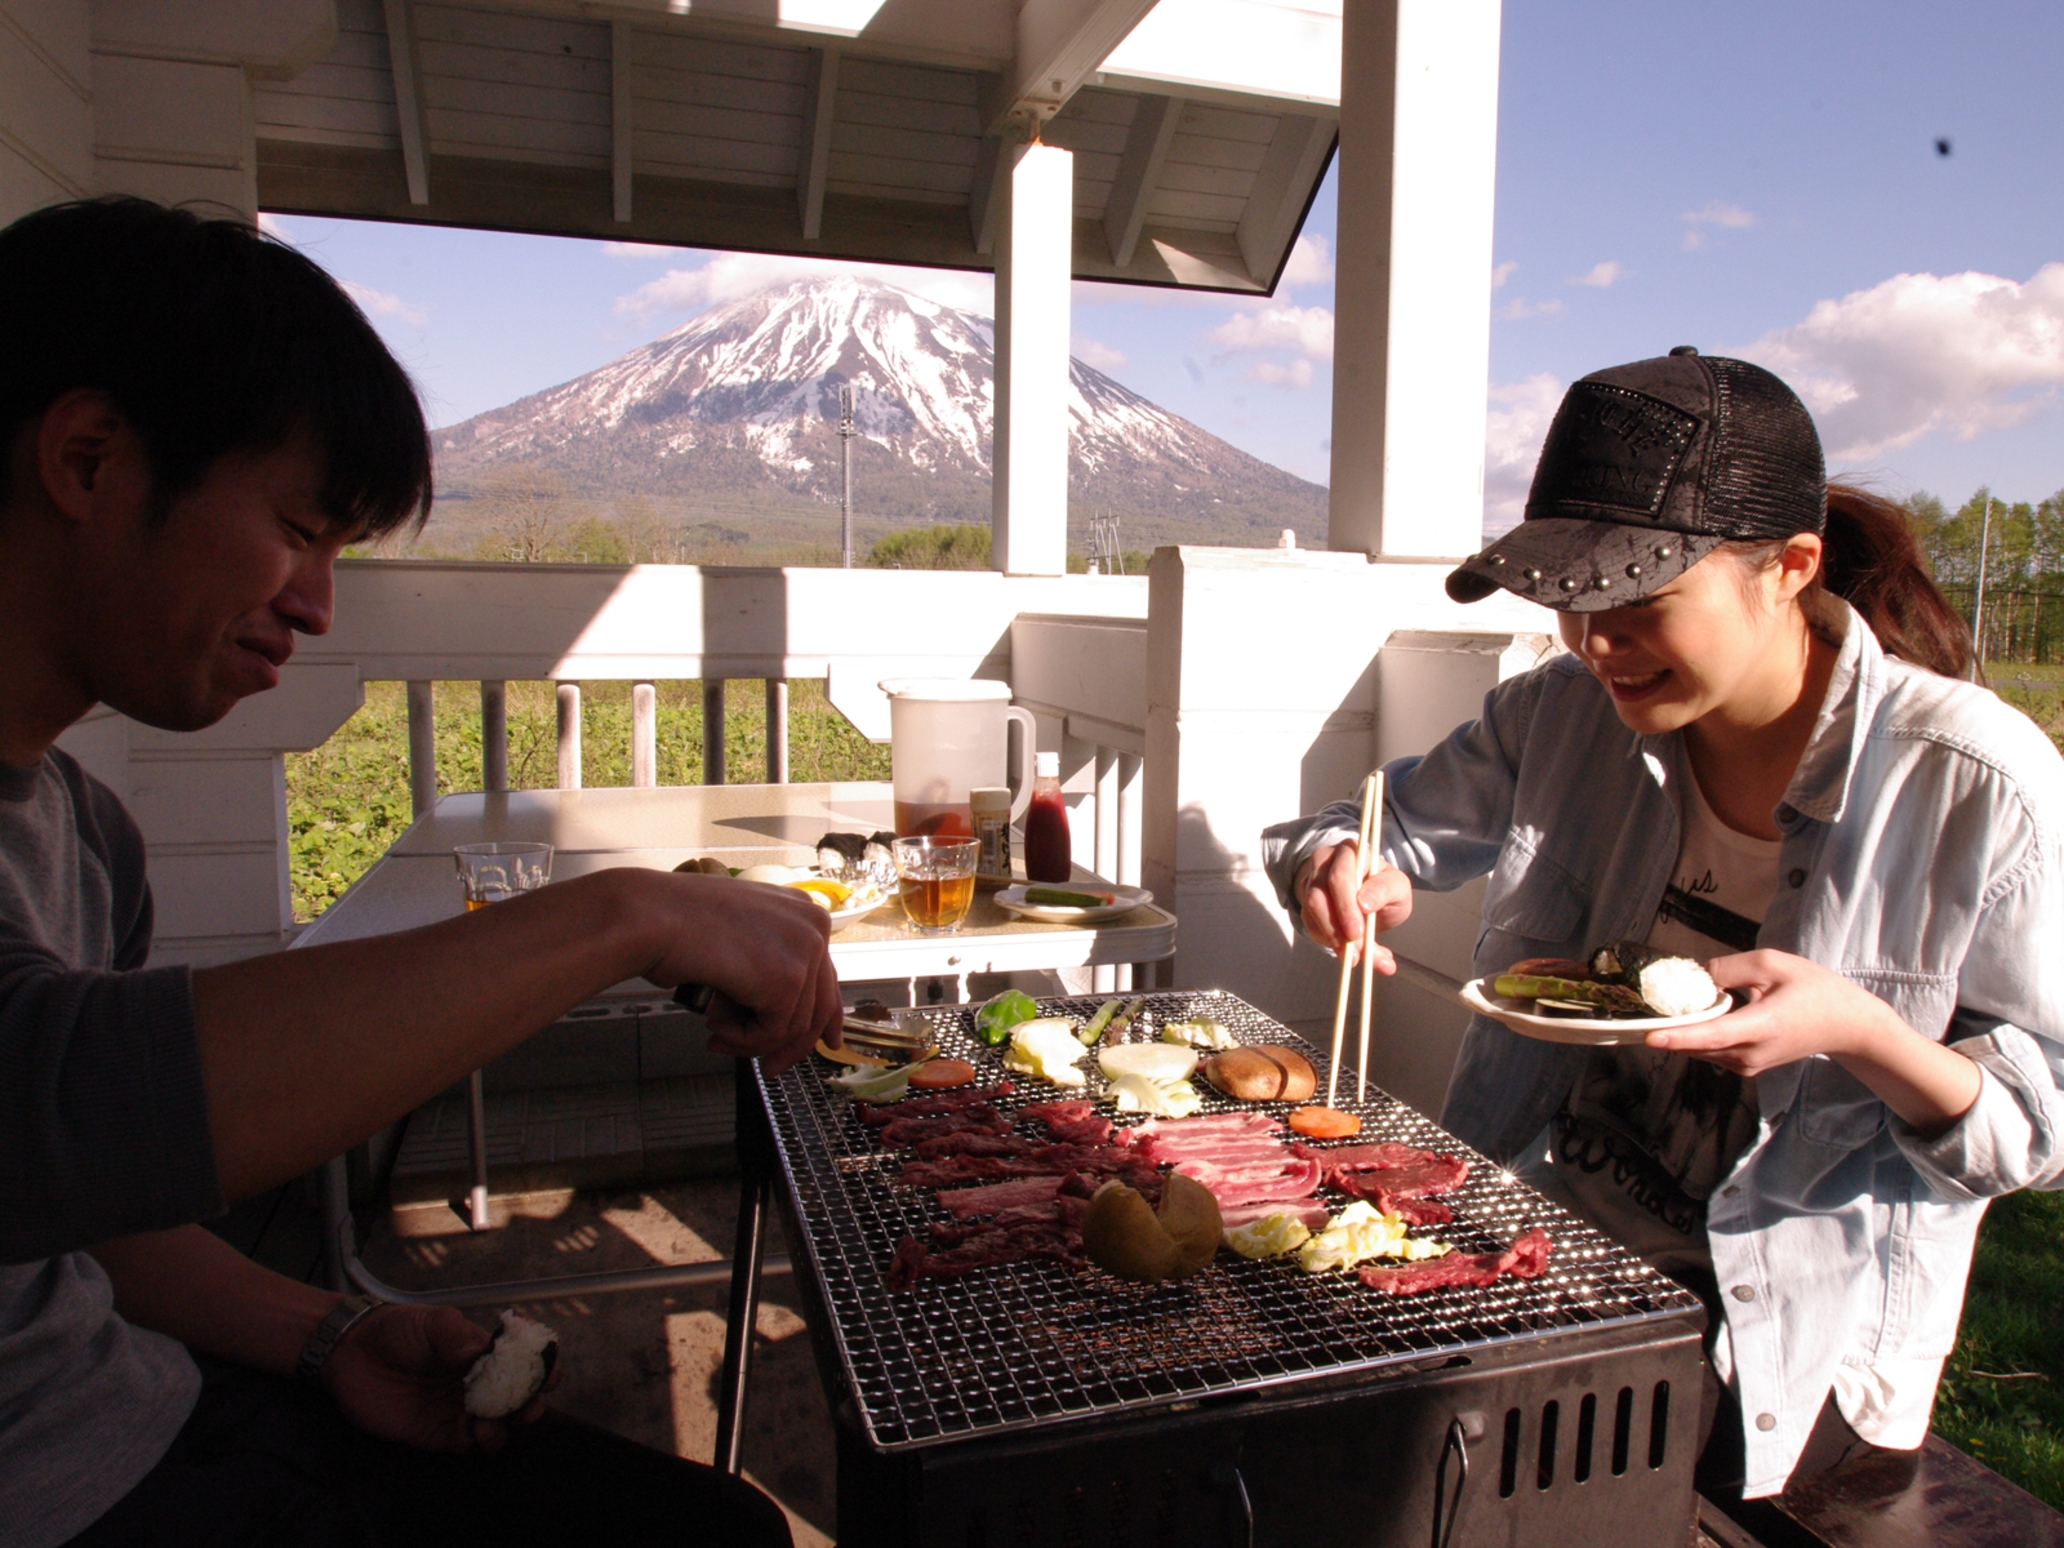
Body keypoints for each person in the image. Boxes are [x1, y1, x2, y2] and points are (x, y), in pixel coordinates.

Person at [0, 197, 843, 1547]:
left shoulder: (84, 832)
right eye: (297, 526)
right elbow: (50, 1103)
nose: (319, 605)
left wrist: (328, 1332)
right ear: (91, 458)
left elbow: (83, 1214)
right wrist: (629, 910)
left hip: (148, 1411)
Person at [1263, 348, 2064, 1502]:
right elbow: (1353, 824)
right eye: (1572, 601)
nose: (1593, 644)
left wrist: (1863, 1033)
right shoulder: (1562, 714)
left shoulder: (1975, 783)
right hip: (1545, 1270)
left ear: (1789, 569)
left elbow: (2039, 1126)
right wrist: (1339, 865)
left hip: (1796, 1363)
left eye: (1637, 601)